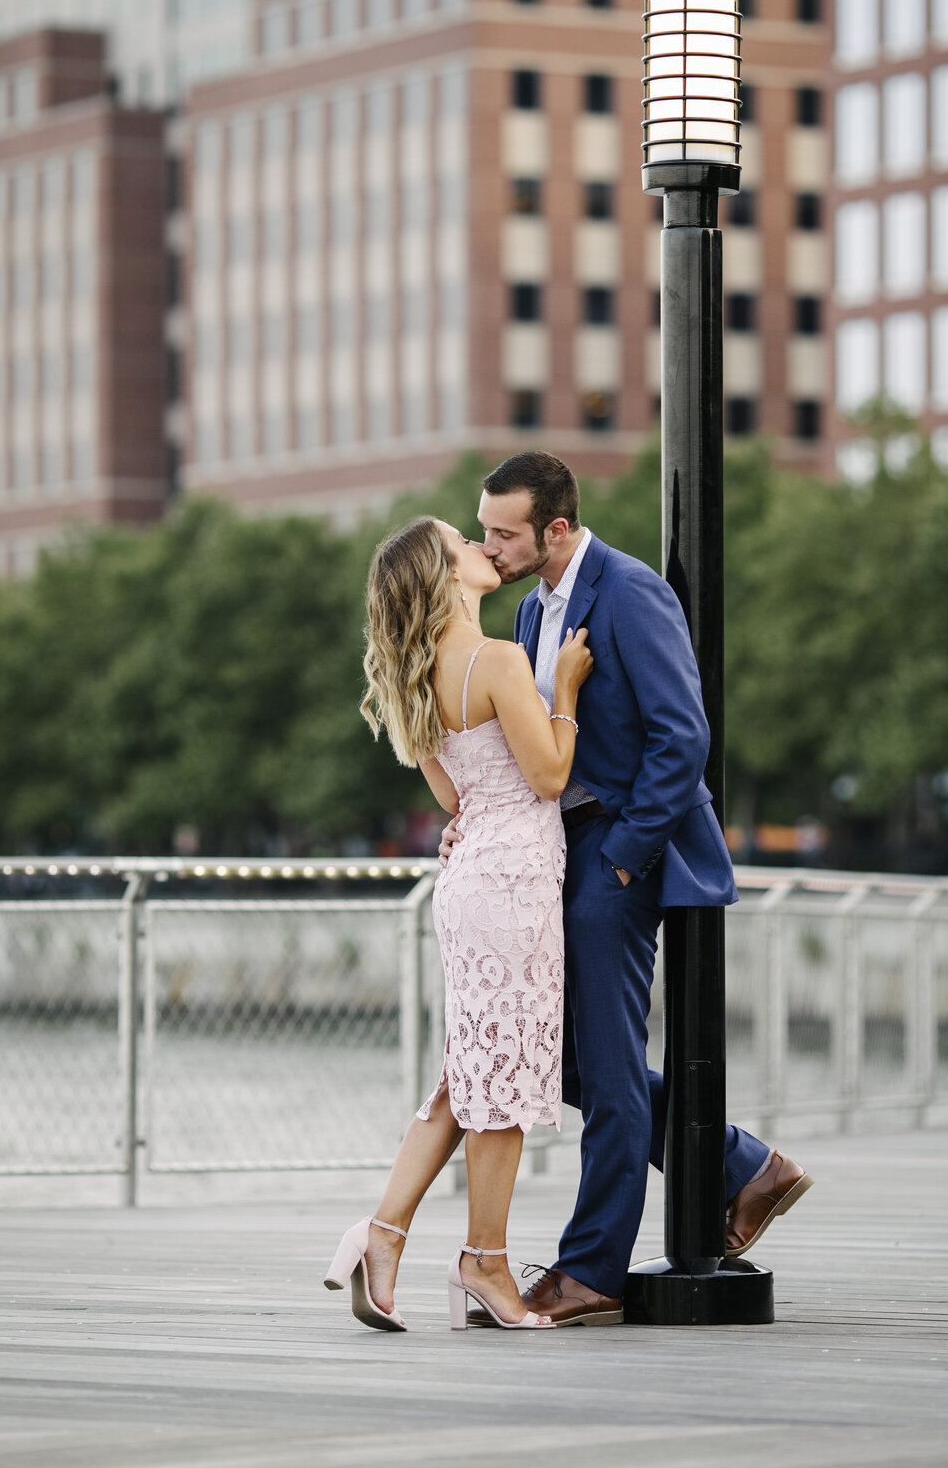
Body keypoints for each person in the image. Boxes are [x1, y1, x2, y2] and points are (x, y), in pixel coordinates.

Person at [440, 451, 812, 1327]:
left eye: (505, 532)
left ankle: (591, 1270)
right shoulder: (530, 609)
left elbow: (683, 738)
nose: (489, 545)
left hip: (618, 851)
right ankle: (742, 1165)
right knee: (565, 1060)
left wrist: (622, 859)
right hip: (561, 849)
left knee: (603, 1067)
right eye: (483, 529)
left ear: (557, 528)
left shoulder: (631, 589)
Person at [325, 514, 594, 1332]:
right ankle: (485, 1262)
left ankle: (381, 1235)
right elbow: (547, 776)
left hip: (470, 879)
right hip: (513, 884)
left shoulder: (419, 674)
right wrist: (568, 693)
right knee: (501, 1086)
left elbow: (451, 797)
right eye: (463, 544)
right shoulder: (499, 660)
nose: (482, 548)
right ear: (445, 577)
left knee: (469, 1075)